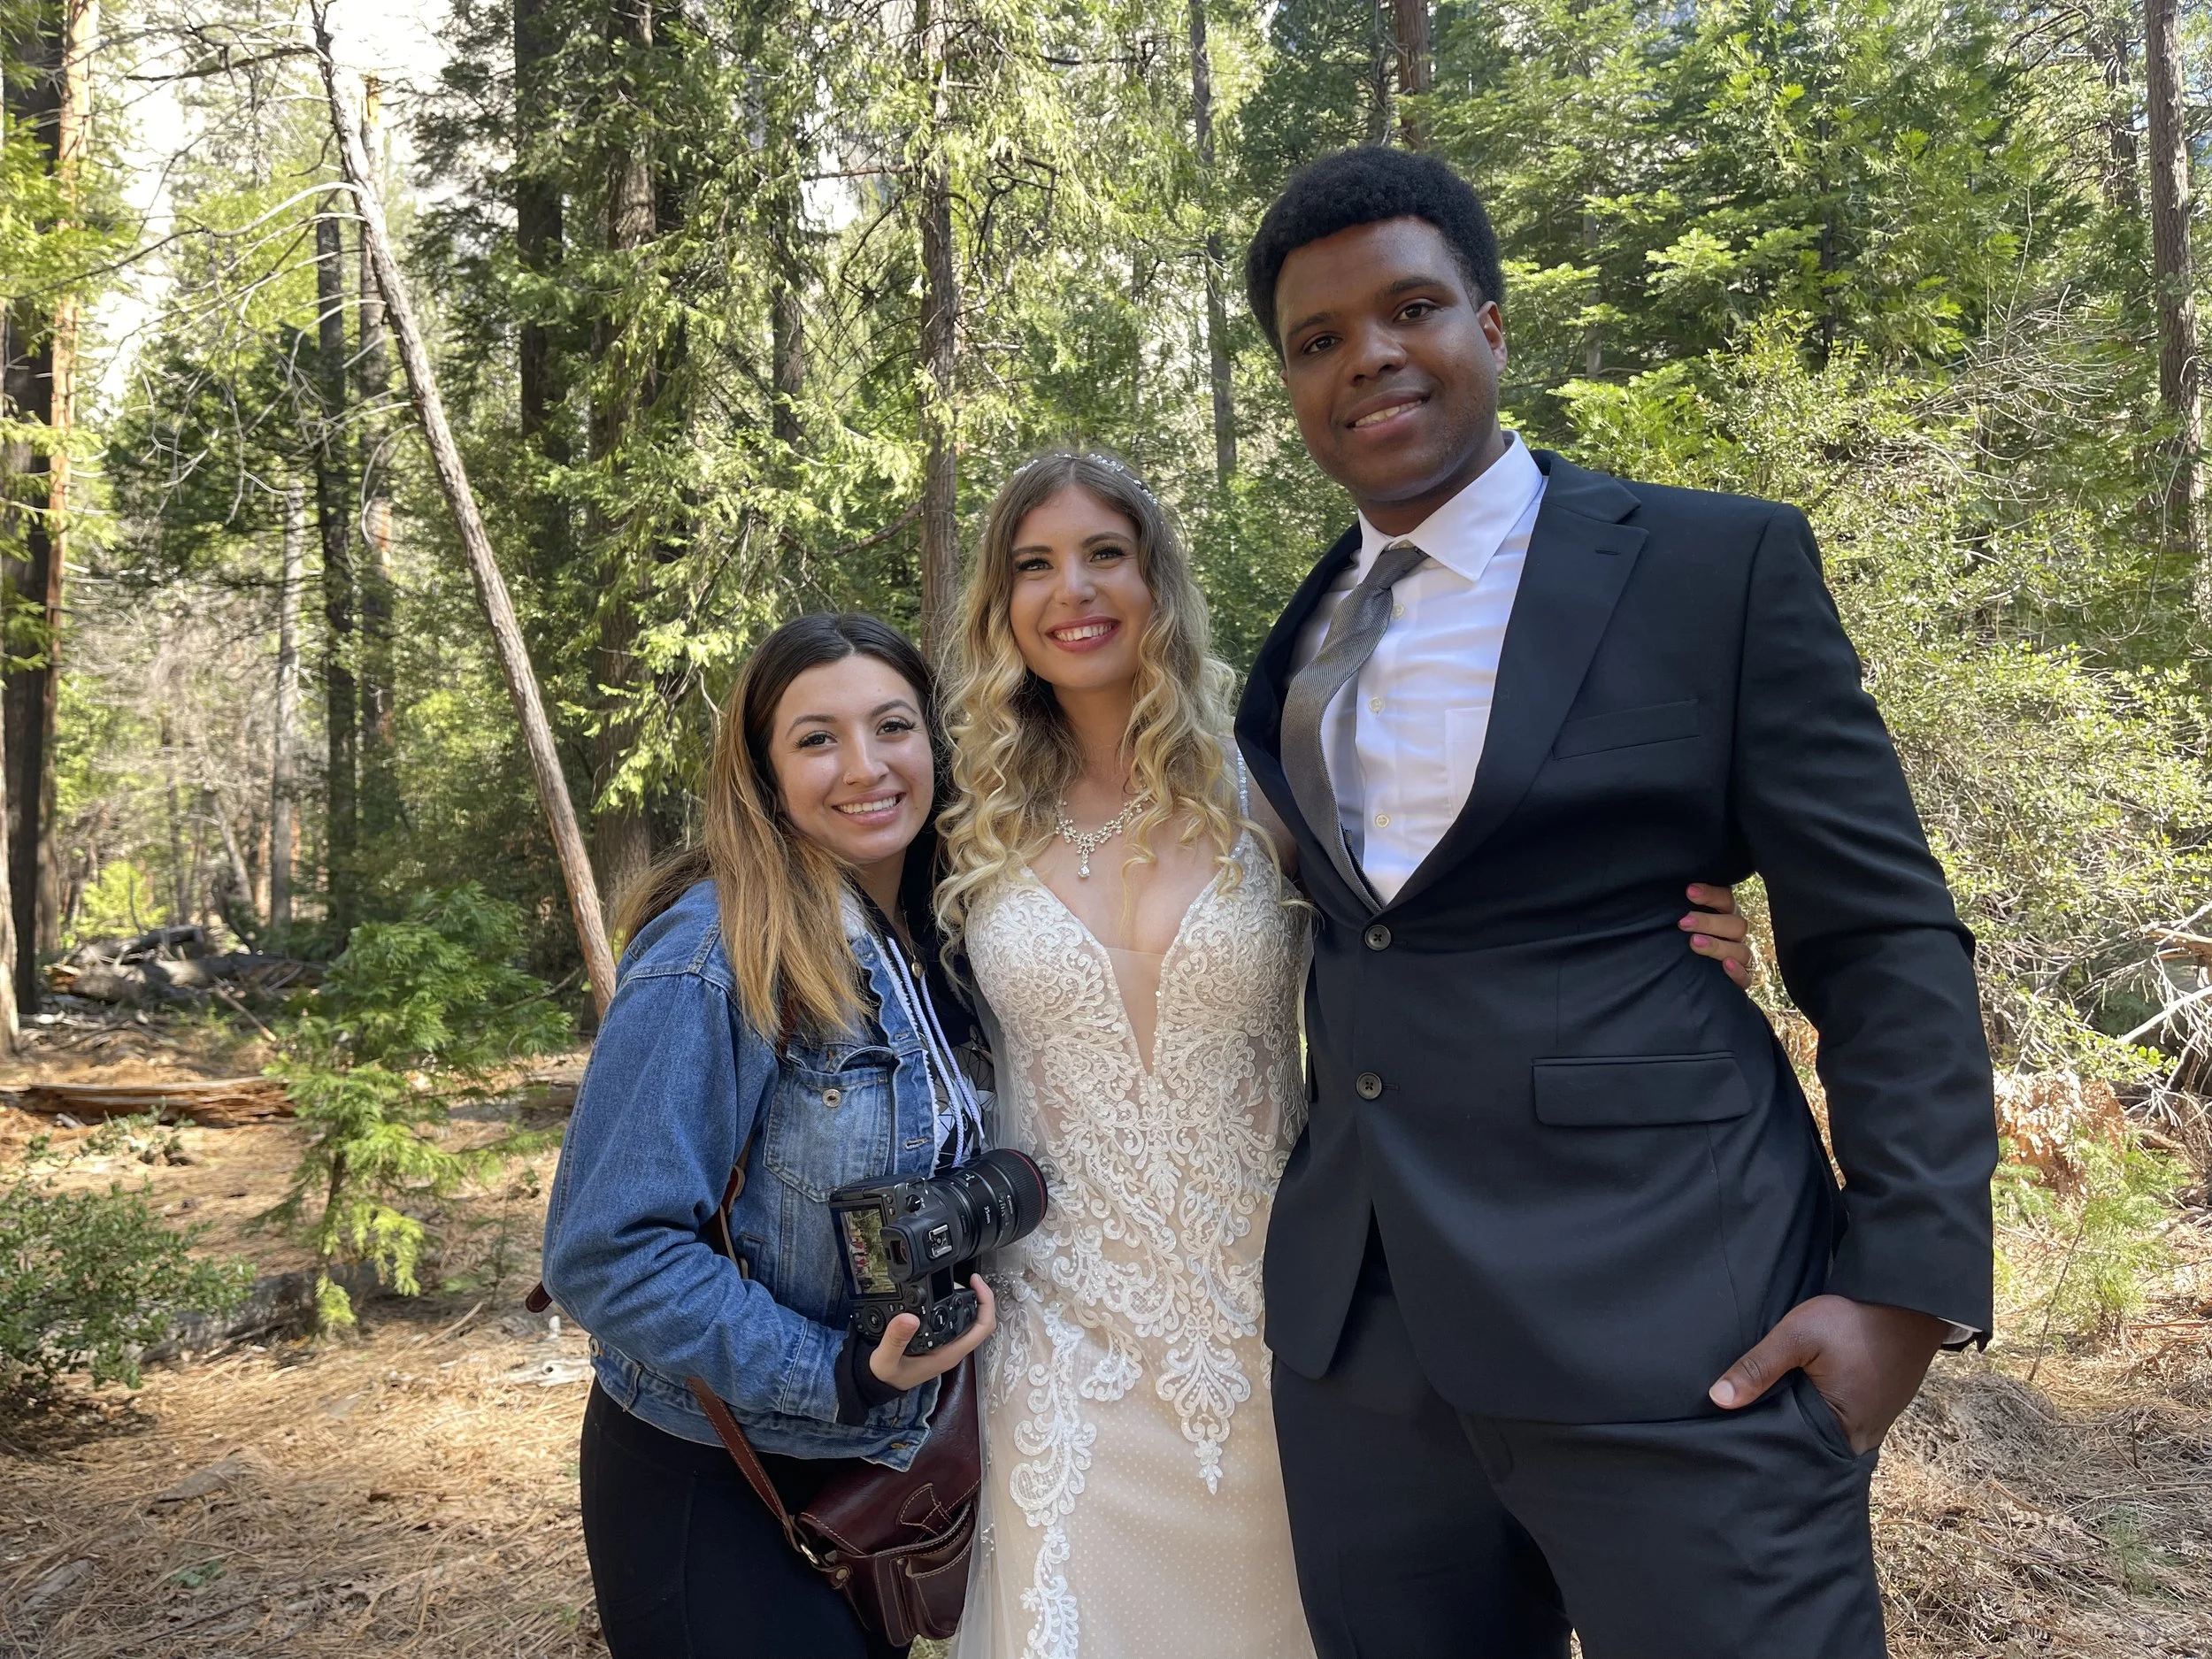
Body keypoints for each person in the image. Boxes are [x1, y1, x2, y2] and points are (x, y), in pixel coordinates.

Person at [1231, 147, 1999, 1658]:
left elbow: (1882, 934)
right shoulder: (1301, 638)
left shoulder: (1716, 567)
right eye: (1317, 339)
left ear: (1491, 325)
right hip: (1368, 1365)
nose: (1367, 356)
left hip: (1682, 1330)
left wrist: (1905, 1289)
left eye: (1410, 309)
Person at [933, 449, 1754, 1659]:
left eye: (1106, 553)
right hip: (1061, 1343)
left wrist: (1656, 939)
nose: (1075, 590)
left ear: (1157, 578)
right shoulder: (966, 819)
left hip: (1292, 1326)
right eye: (1034, 565)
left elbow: (1452, 926)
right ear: (1000, 604)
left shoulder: (1278, 778)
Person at [540, 613, 996, 1659]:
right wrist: (835, 1373)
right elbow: (604, 1251)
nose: (865, 766)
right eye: (817, 738)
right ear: (763, 773)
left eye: (892, 726)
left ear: (934, 745)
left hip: (869, 1479)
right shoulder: (715, 950)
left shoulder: (938, 942)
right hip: (714, 1481)